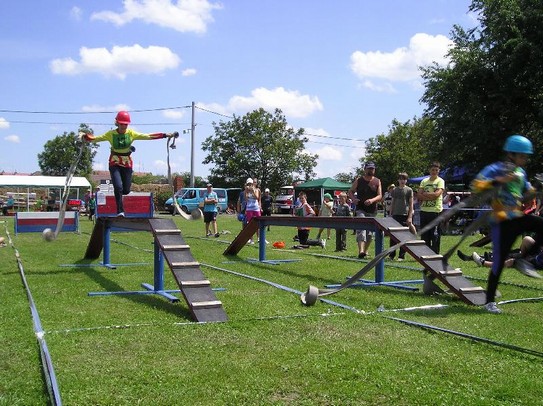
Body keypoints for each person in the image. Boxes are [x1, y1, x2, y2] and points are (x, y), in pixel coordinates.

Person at [471, 135, 543, 313]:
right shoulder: (495, 168)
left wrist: (536, 189)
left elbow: (526, 195)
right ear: (512, 154)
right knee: (498, 262)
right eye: (523, 156)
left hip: (517, 216)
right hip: (501, 221)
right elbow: (477, 185)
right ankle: (489, 302)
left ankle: (526, 260)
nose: (525, 160)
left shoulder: (521, 173)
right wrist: (500, 181)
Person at [80, 111, 178, 217]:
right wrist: (84, 136)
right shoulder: (111, 134)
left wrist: (165, 135)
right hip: (115, 162)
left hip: (127, 163)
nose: (123, 126)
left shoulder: (131, 133)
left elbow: (148, 136)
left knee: (126, 190)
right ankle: (120, 211)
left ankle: (123, 197)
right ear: (117, 123)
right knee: (118, 187)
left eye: (125, 124)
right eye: (121, 124)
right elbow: (96, 139)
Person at [349, 161, 382, 259]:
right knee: (361, 229)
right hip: (360, 209)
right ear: (365, 169)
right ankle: (361, 251)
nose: (371, 170)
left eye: (373, 168)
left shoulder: (377, 181)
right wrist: (354, 199)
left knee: (370, 233)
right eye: (369, 168)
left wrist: (372, 200)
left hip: (372, 210)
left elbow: (380, 195)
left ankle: (365, 251)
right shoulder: (359, 180)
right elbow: (350, 191)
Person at [417, 162, 445, 254]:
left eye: (436, 170)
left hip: (435, 212)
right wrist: (429, 195)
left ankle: (435, 254)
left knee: (435, 235)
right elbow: (419, 195)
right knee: (425, 236)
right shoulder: (424, 181)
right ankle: (425, 255)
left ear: (439, 171)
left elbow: (437, 195)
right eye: (432, 170)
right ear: (429, 170)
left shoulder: (440, 181)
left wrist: (425, 194)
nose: (434, 172)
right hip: (424, 211)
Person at [389, 172, 415, 261]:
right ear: (398, 180)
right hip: (395, 215)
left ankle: (401, 256)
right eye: (400, 179)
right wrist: (390, 214)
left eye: (404, 179)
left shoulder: (409, 190)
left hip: (405, 214)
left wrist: (410, 216)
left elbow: (411, 204)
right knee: (393, 236)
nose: (402, 181)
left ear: (406, 180)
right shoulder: (395, 190)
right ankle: (391, 255)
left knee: (403, 236)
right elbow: (392, 202)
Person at [243, 178, 263, 245]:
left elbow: (257, 197)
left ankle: (259, 238)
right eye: (248, 184)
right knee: (250, 224)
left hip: (256, 208)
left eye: (250, 184)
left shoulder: (256, 190)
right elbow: (246, 199)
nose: (249, 185)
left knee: (258, 223)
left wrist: (252, 191)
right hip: (249, 209)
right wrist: (246, 191)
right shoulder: (246, 190)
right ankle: (251, 239)